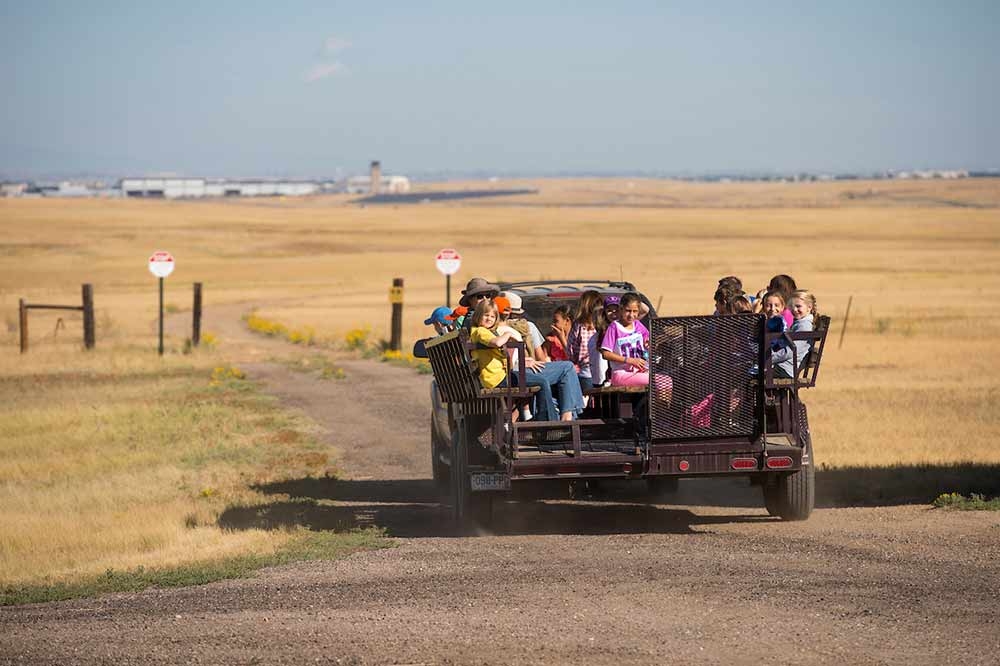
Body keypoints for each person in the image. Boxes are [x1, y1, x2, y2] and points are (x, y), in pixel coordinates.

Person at [600, 292, 651, 387]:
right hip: (621, 374)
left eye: (635, 311)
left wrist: (649, 344)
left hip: (640, 372)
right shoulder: (614, 327)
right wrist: (629, 360)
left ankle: (658, 403)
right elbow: (605, 353)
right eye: (628, 311)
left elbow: (648, 342)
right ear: (621, 309)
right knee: (659, 380)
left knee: (666, 381)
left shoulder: (638, 325)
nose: (631, 315)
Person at [771, 290, 817, 379]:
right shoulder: (799, 323)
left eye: (798, 306)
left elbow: (791, 351)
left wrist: (769, 358)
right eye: (792, 307)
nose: (795, 310)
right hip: (783, 366)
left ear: (809, 307)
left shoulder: (804, 326)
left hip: (786, 369)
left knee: (749, 375)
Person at [467, 299, 512, 389]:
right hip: (496, 378)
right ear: (478, 316)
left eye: (492, 316)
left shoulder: (477, 331)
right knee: (542, 381)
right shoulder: (481, 331)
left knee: (539, 379)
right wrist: (508, 334)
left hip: (494, 377)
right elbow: (497, 343)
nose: (489, 319)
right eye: (486, 315)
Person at [568, 290, 604, 392]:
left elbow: (571, 349)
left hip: (585, 371)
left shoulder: (578, 326)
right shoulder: (607, 326)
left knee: (588, 402)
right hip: (605, 371)